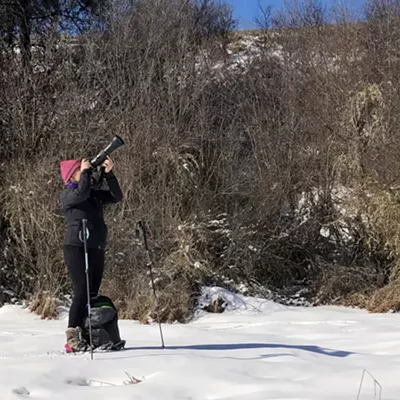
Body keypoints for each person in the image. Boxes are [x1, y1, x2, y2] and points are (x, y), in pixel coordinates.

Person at [59, 156, 123, 352]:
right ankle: (71, 336)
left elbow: (115, 196)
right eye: (80, 170)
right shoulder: (69, 194)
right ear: (72, 176)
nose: (85, 171)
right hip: (77, 247)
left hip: (95, 247)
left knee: (92, 293)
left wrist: (108, 174)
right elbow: (81, 192)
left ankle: (90, 333)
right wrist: (86, 173)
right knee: (81, 291)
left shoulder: (91, 194)